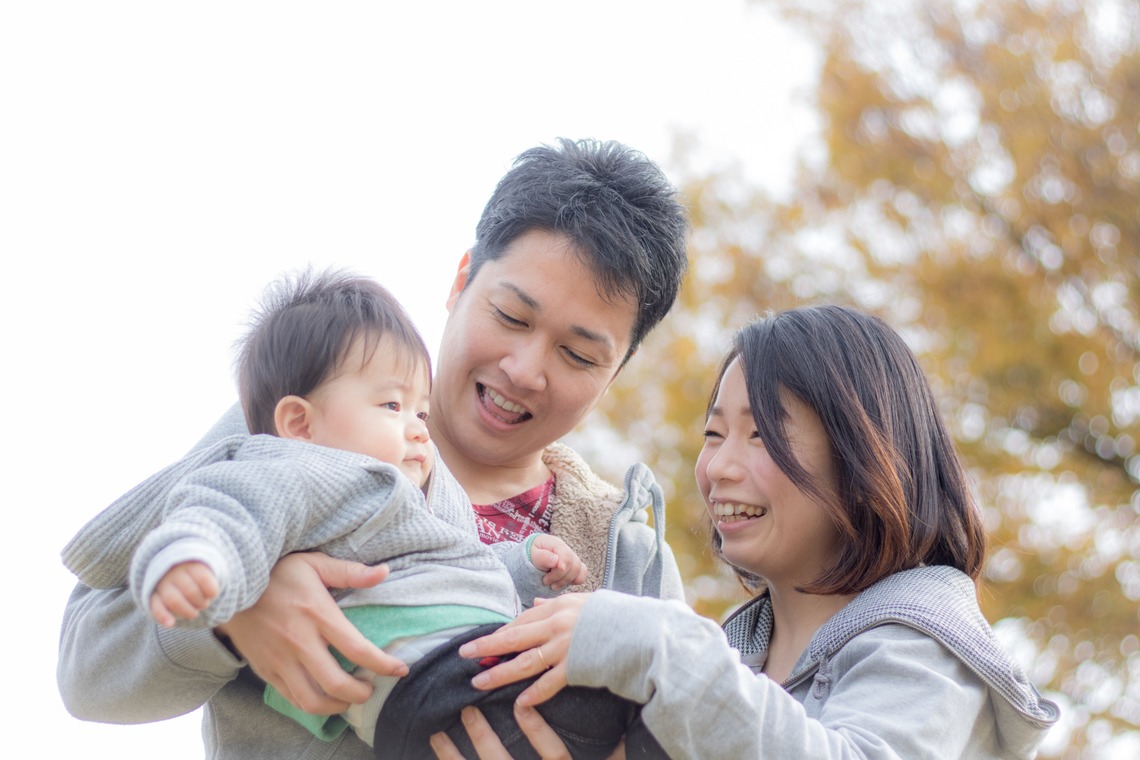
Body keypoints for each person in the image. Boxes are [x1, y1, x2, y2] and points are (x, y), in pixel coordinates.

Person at [58, 138, 690, 759]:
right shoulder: (305, 425)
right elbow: (88, 669)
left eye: (578, 354)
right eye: (511, 316)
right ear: (461, 281)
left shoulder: (629, 554)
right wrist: (232, 615)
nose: (525, 369)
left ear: (617, 371)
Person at [437, 305, 1061, 760]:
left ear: (867, 455)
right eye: (713, 435)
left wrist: (658, 643)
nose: (720, 468)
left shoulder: (927, 645)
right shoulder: (735, 661)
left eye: (764, 434)